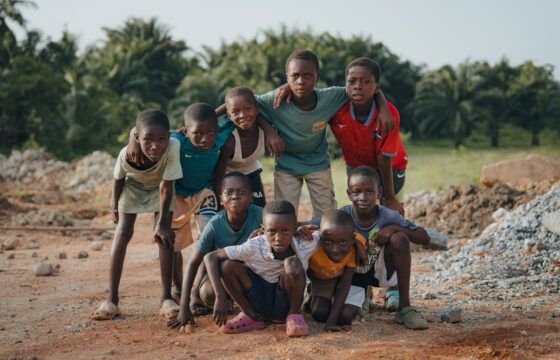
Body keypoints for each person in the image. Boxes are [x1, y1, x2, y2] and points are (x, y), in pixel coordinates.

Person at [217, 49, 395, 217]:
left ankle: (322, 248)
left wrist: (383, 106)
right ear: (287, 77)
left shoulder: (330, 98)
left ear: (317, 77)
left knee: (327, 215)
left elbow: (362, 91)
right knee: (283, 214)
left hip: (318, 164)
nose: (301, 81)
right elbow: (240, 101)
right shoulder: (276, 99)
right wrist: (210, 116)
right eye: (295, 76)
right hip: (286, 165)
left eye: (307, 76)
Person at [310, 166, 430, 329]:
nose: (363, 197)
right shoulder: (343, 215)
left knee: (399, 238)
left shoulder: (388, 215)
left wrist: (394, 228)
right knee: (325, 315)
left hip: (377, 270)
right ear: (349, 194)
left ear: (379, 193)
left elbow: (424, 237)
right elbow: (312, 224)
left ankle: (405, 307)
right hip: (348, 276)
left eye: (369, 192)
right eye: (357, 192)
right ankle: (358, 295)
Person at [91, 109, 183, 320]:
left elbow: (168, 187)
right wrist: (113, 207)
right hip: (132, 187)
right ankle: (112, 300)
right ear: (137, 138)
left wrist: (161, 224)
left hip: (161, 187)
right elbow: (118, 179)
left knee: (164, 236)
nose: (155, 145)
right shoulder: (127, 154)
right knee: (122, 232)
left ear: (168, 137)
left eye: (161, 139)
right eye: (147, 140)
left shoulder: (173, 146)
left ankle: (166, 299)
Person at [204, 200, 319, 337]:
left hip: (285, 302)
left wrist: (304, 225)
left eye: (286, 230)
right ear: (263, 230)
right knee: (227, 265)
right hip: (258, 299)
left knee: (292, 264)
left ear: (295, 229)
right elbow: (210, 257)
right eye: (272, 231)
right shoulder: (254, 246)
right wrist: (220, 295)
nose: (279, 238)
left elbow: (330, 225)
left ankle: (293, 316)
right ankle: (250, 316)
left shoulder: (306, 242)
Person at [167, 172, 263, 329]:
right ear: (220, 199)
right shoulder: (214, 225)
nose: (235, 196)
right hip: (225, 278)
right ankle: (227, 300)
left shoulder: (260, 215)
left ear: (251, 197)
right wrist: (184, 308)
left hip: (252, 276)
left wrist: (301, 226)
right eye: (229, 192)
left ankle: (245, 305)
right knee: (208, 293)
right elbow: (193, 264)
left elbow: (283, 224)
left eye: (241, 192)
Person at [329, 57, 408, 215]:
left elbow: (384, 157)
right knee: (362, 209)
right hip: (356, 165)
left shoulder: (388, 115)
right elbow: (310, 97)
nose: (358, 86)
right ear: (345, 85)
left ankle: (398, 233)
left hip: (391, 167)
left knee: (391, 212)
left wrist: (390, 197)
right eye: (352, 81)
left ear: (376, 87)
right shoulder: (336, 107)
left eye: (366, 82)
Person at [306, 210, 366, 332]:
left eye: (343, 242)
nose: (334, 249)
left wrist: (332, 321)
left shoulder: (356, 245)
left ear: (352, 239)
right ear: (320, 236)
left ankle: (366, 296)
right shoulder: (310, 242)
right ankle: (311, 294)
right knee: (320, 314)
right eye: (328, 242)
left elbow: (344, 284)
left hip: (348, 279)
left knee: (345, 317)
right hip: (324, 278)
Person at [216, 86, 270, 207]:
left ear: (256, 109)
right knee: (234, 212)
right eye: (236, 112)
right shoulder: (230, 141)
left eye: (247, 108)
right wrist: (218, 197)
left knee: (260, 211)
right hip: (229, 178)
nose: (243, 115)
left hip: (252, 174)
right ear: (229, 116)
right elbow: (219, 174)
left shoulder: (265, 130)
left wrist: (271, 133)